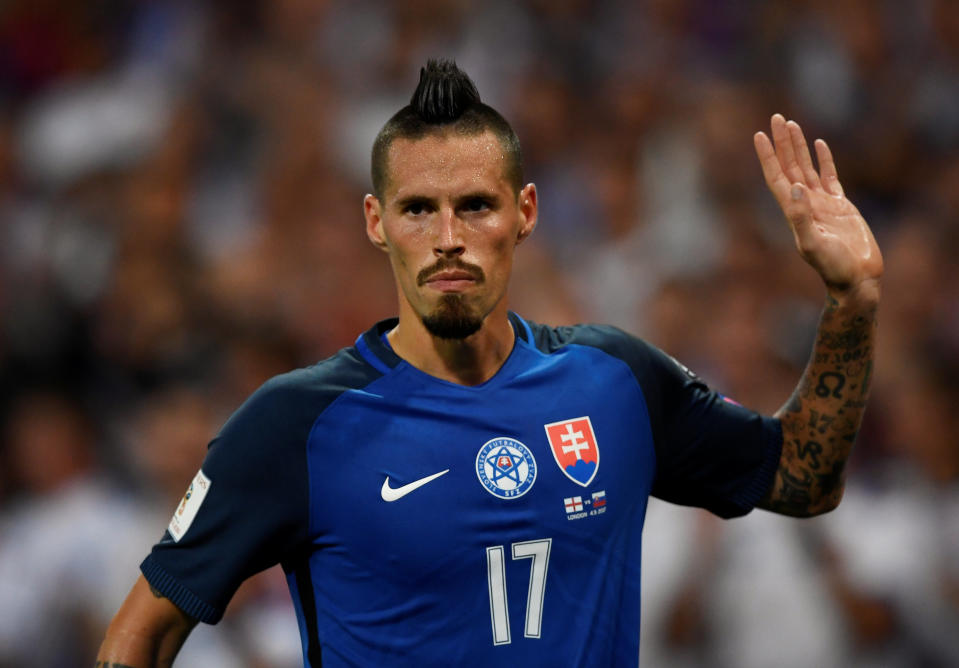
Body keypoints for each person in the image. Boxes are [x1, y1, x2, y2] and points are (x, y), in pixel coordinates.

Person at [96, 59, 882, 667]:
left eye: (473, 204)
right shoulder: (296, 423)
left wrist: (851, 303)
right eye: (417, 209)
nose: (447, 236)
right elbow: (137, 639)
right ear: (377, 222)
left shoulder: (615, 383)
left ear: (524, 212)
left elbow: (801, 479)